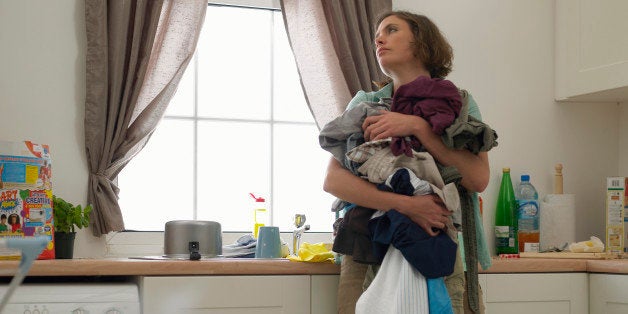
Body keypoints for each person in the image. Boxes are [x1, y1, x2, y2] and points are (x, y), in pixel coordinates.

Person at [322, 11, 492, 314]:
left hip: (448, 252)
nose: (378, 38)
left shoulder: (461, 104)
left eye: (391, 30)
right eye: (377, 33)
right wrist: (408, 206)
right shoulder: (365, 105)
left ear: (421, 42)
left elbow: (477, 178)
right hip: (368, 250)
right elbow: (333, 181)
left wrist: (418, 128)